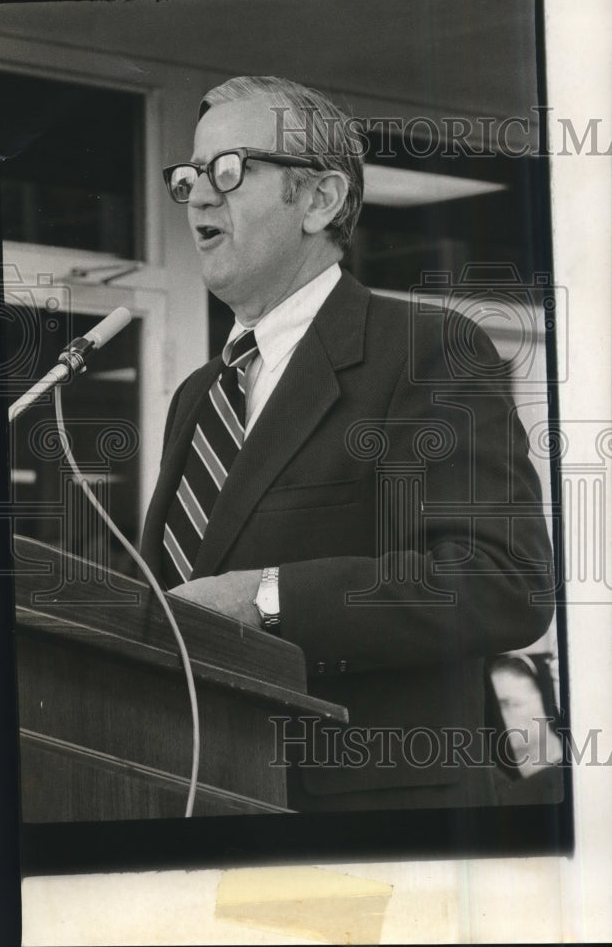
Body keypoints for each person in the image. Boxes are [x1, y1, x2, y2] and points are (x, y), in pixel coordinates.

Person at [141, 75, 554, 812]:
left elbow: (503, 582)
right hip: (203, 796)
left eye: (228, 170)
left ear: (320, 200)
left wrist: (265, 597)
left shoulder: (424, 351)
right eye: (189, 177)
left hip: (370, 815)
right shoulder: (197, 396)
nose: (199, 197)